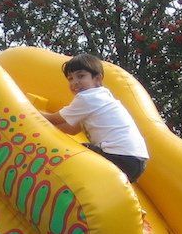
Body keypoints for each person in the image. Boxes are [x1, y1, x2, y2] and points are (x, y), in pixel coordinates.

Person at [41, 53, 149, 183]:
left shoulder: (87, 98)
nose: (75, 82)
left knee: (72, 154)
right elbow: (72, 129)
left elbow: (53, 119)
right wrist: (48, 129)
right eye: (70, 78)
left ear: (97, 79)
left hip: (120, 156)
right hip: (136, 161)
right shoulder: (102, 96)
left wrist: (29, 111)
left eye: (81, 76)